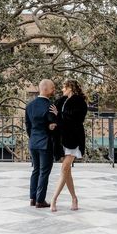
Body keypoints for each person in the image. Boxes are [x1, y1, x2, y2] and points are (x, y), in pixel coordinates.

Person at [49, 78, 87, 212]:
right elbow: (54, 114)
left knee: (64, 168)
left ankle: (54, 199)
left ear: (70, 88)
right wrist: (54, 122)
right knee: (67, 171)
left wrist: (59, 116)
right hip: (63, 139)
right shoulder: (62, 101)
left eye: (64, 87)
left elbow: (74, 121)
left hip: (74, 139)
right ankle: (74, 198)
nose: (62, 89)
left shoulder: (80, 102)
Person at [25, 79, 57, 208]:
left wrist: (33, 137)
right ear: (45, 89)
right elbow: (53, 126)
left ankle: (33, 198)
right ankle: (40, 200)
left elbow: (28, 126)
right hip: (45, 143)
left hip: (33, 142)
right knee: (44, 172)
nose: (54, 89)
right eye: (52, 87)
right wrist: (56, 115)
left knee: (36, 170)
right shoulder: (50, 106)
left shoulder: (29, 105)